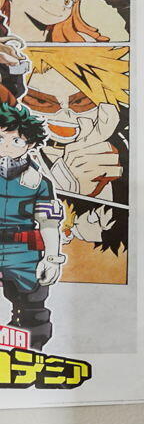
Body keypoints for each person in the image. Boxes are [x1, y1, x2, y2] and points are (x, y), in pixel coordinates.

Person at [0, 104, 63, 348]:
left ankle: (31, 348)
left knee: (31, 306)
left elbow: (48, 223)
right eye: (1, 139)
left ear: (30, 144)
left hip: (23, 252)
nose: (6, 146)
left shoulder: (39, 182)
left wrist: (52, 258)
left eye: (16, 140)